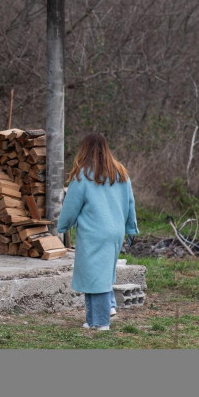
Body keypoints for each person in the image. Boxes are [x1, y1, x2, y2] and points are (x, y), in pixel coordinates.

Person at [57, 133, 138, 330]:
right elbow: (130, 204)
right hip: (115, 233)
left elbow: (71, 206)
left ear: (85, 149)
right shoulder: (121, 173)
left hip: (93, 233)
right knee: (98, 275)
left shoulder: (82, 175)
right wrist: (131, 228)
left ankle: (101, 322)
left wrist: (62, 227)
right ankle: (92, 320)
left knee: (96, 277)